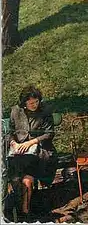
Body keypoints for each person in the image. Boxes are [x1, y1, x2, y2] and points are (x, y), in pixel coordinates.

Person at [8, 85, 57, 220]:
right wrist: (14, 143)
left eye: (36, 102)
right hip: (19, 151)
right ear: (24, 103)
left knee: (23, 173)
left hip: (41, 149)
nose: (34, 105)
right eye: (31, 103)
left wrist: (31, 142)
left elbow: (49, 134)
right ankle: (23, 208)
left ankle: (23, 209)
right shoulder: (15, 111)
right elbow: (10, 132)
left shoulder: (45, 111)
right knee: (21, 176)